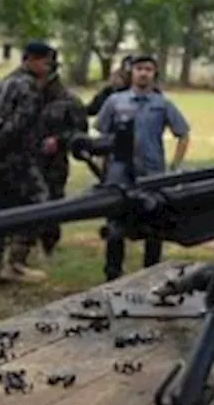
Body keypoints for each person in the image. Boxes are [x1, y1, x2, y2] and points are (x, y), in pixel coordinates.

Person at [95, 54, 190, 280]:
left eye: (148, 69)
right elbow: (102, 135)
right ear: (132, 72)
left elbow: (183, 134)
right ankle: (113, 272)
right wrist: (103, 168)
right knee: (116, 220)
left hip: (152, 170)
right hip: (119, 170)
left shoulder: (162, 103)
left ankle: (151, 271)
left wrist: (175, 166)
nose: (143, 73)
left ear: (154, 74)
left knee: (154, 220)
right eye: (139, 68)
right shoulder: (115, 101)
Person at [0, 40, 54, 285]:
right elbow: (19, 123)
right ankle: (16, 262)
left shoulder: (1, 83)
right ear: (33, 60)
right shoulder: (28, 86)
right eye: (46, 62)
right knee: (40, 204)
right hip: (17, 157)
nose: (48, 68)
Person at [37, 51, 89, 256]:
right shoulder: (26, 95)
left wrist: (59, 141)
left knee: (53, 201)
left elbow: (80, 133)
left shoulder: (69, 101)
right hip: (25, 159)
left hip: (53, 162)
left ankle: (48, 243)